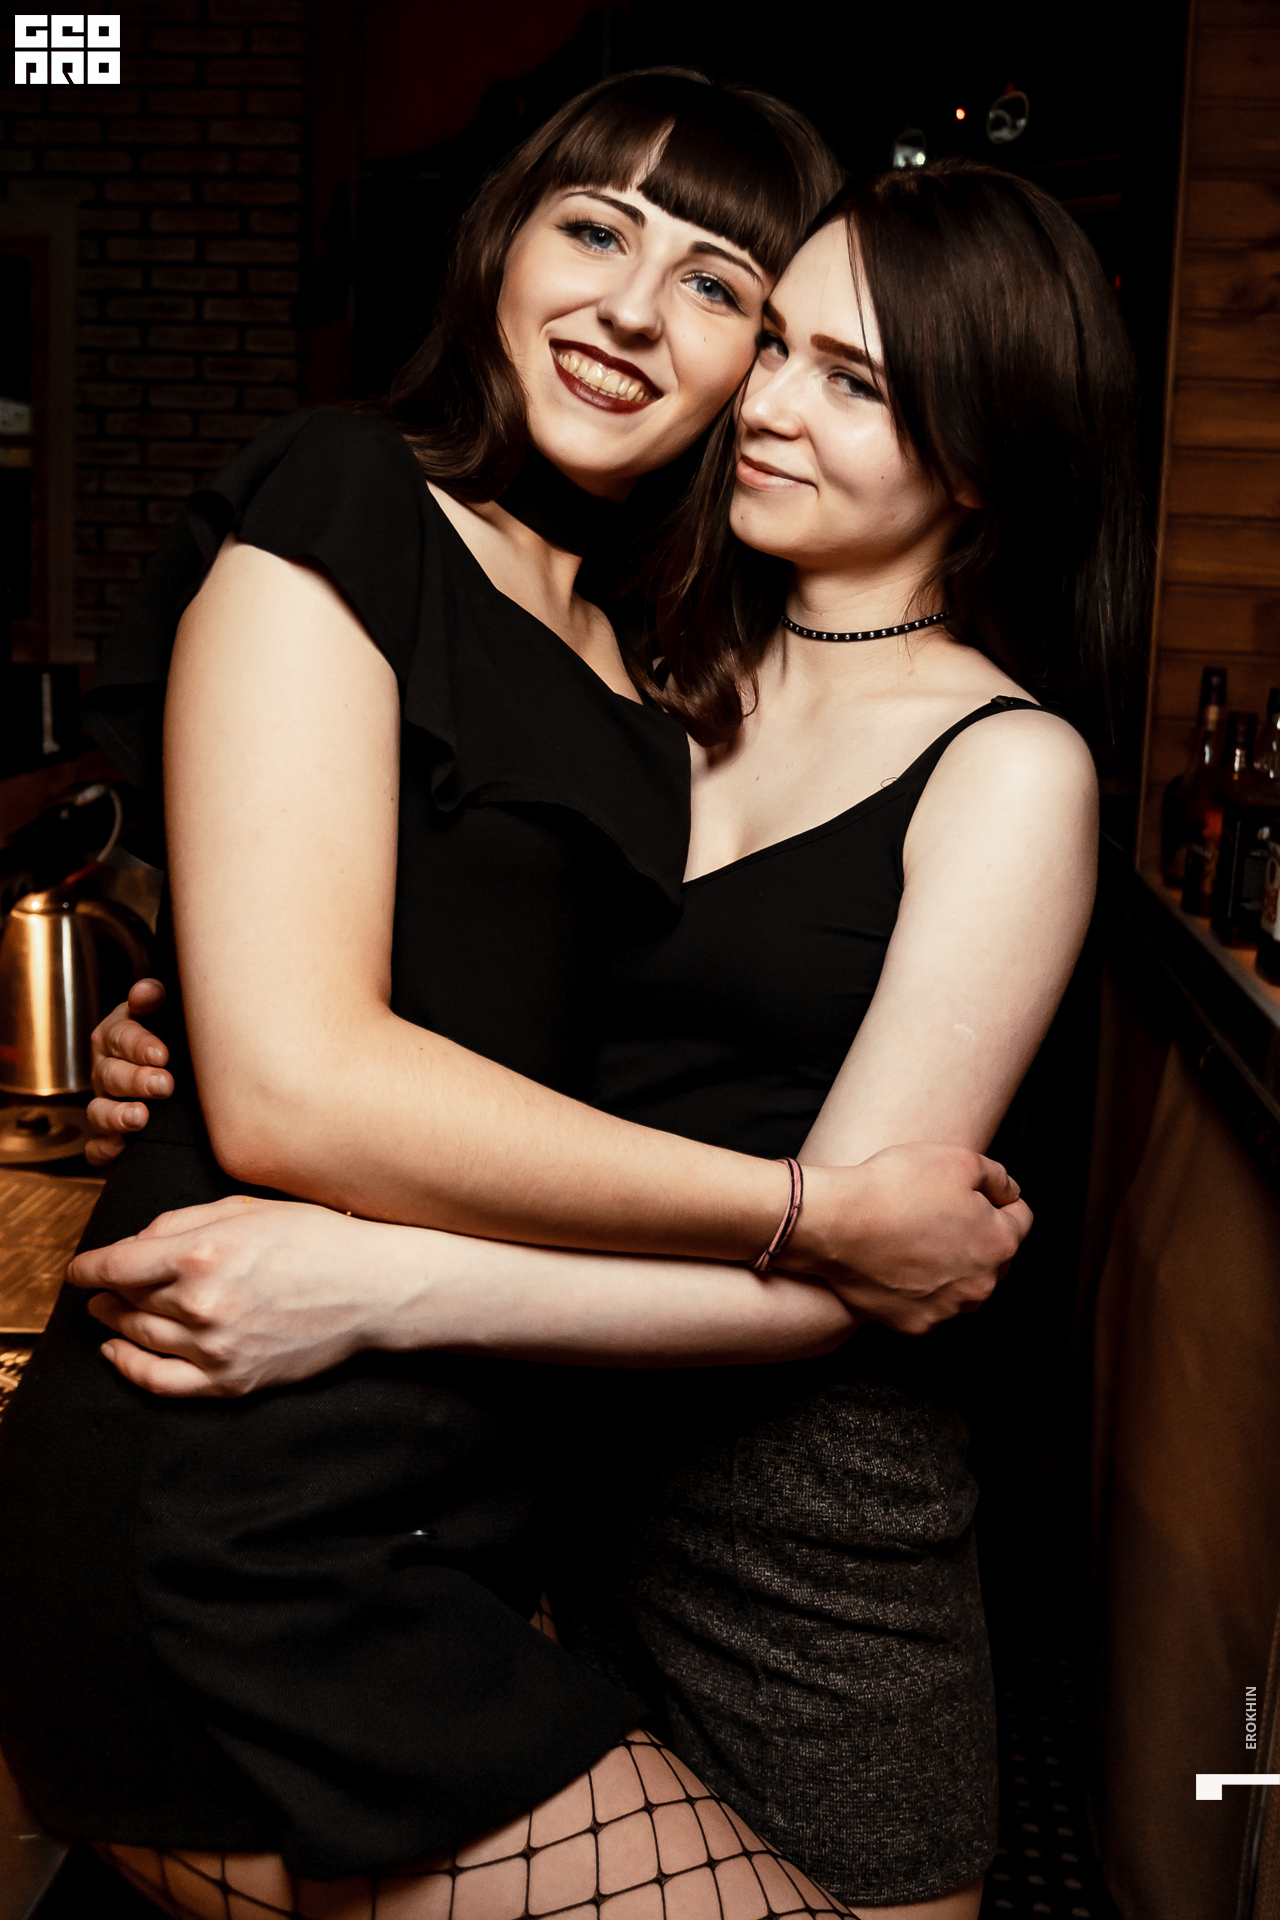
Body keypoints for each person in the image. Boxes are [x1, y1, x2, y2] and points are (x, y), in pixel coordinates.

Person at [0, 74, 1031, 1920]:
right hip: (237, 1495)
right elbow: (302, 1089)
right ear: (502, 243)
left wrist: (202, 1011)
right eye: (595, 228)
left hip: (455, 1514)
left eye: (717, 288)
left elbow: (510, 1028)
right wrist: (816, 1213)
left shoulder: (645, 667)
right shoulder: (351, 494)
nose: (633, 309)